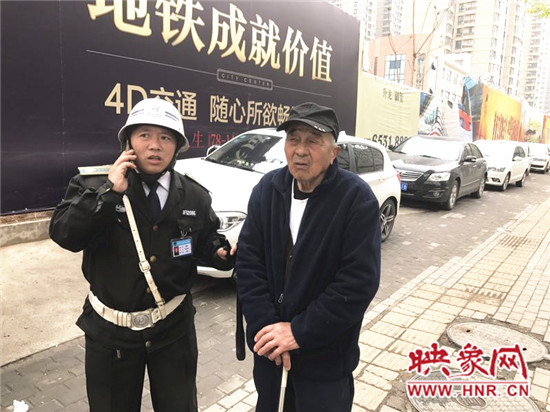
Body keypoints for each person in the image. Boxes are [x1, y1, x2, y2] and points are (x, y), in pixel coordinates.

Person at [50, 98, 234, 412]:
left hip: (173, 330)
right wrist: (109, 193)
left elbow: (206, 240)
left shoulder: (195, 195)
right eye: (144, 135)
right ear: (129, 142)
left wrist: (221, 252)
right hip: (111, 333)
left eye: (166, 137)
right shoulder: (94, 184)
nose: (155, 145)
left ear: (177, 146)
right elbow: (64, 234)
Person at [236, 102, 381, 411]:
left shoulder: (356, 200)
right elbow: (249, 263)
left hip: (325, 364)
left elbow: (357, 283)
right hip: (271, 357)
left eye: (313, 141)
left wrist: (298, 332)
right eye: (293, 139)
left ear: (334, 153)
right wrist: (268, 331)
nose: (300, 150)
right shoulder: (268, 190)